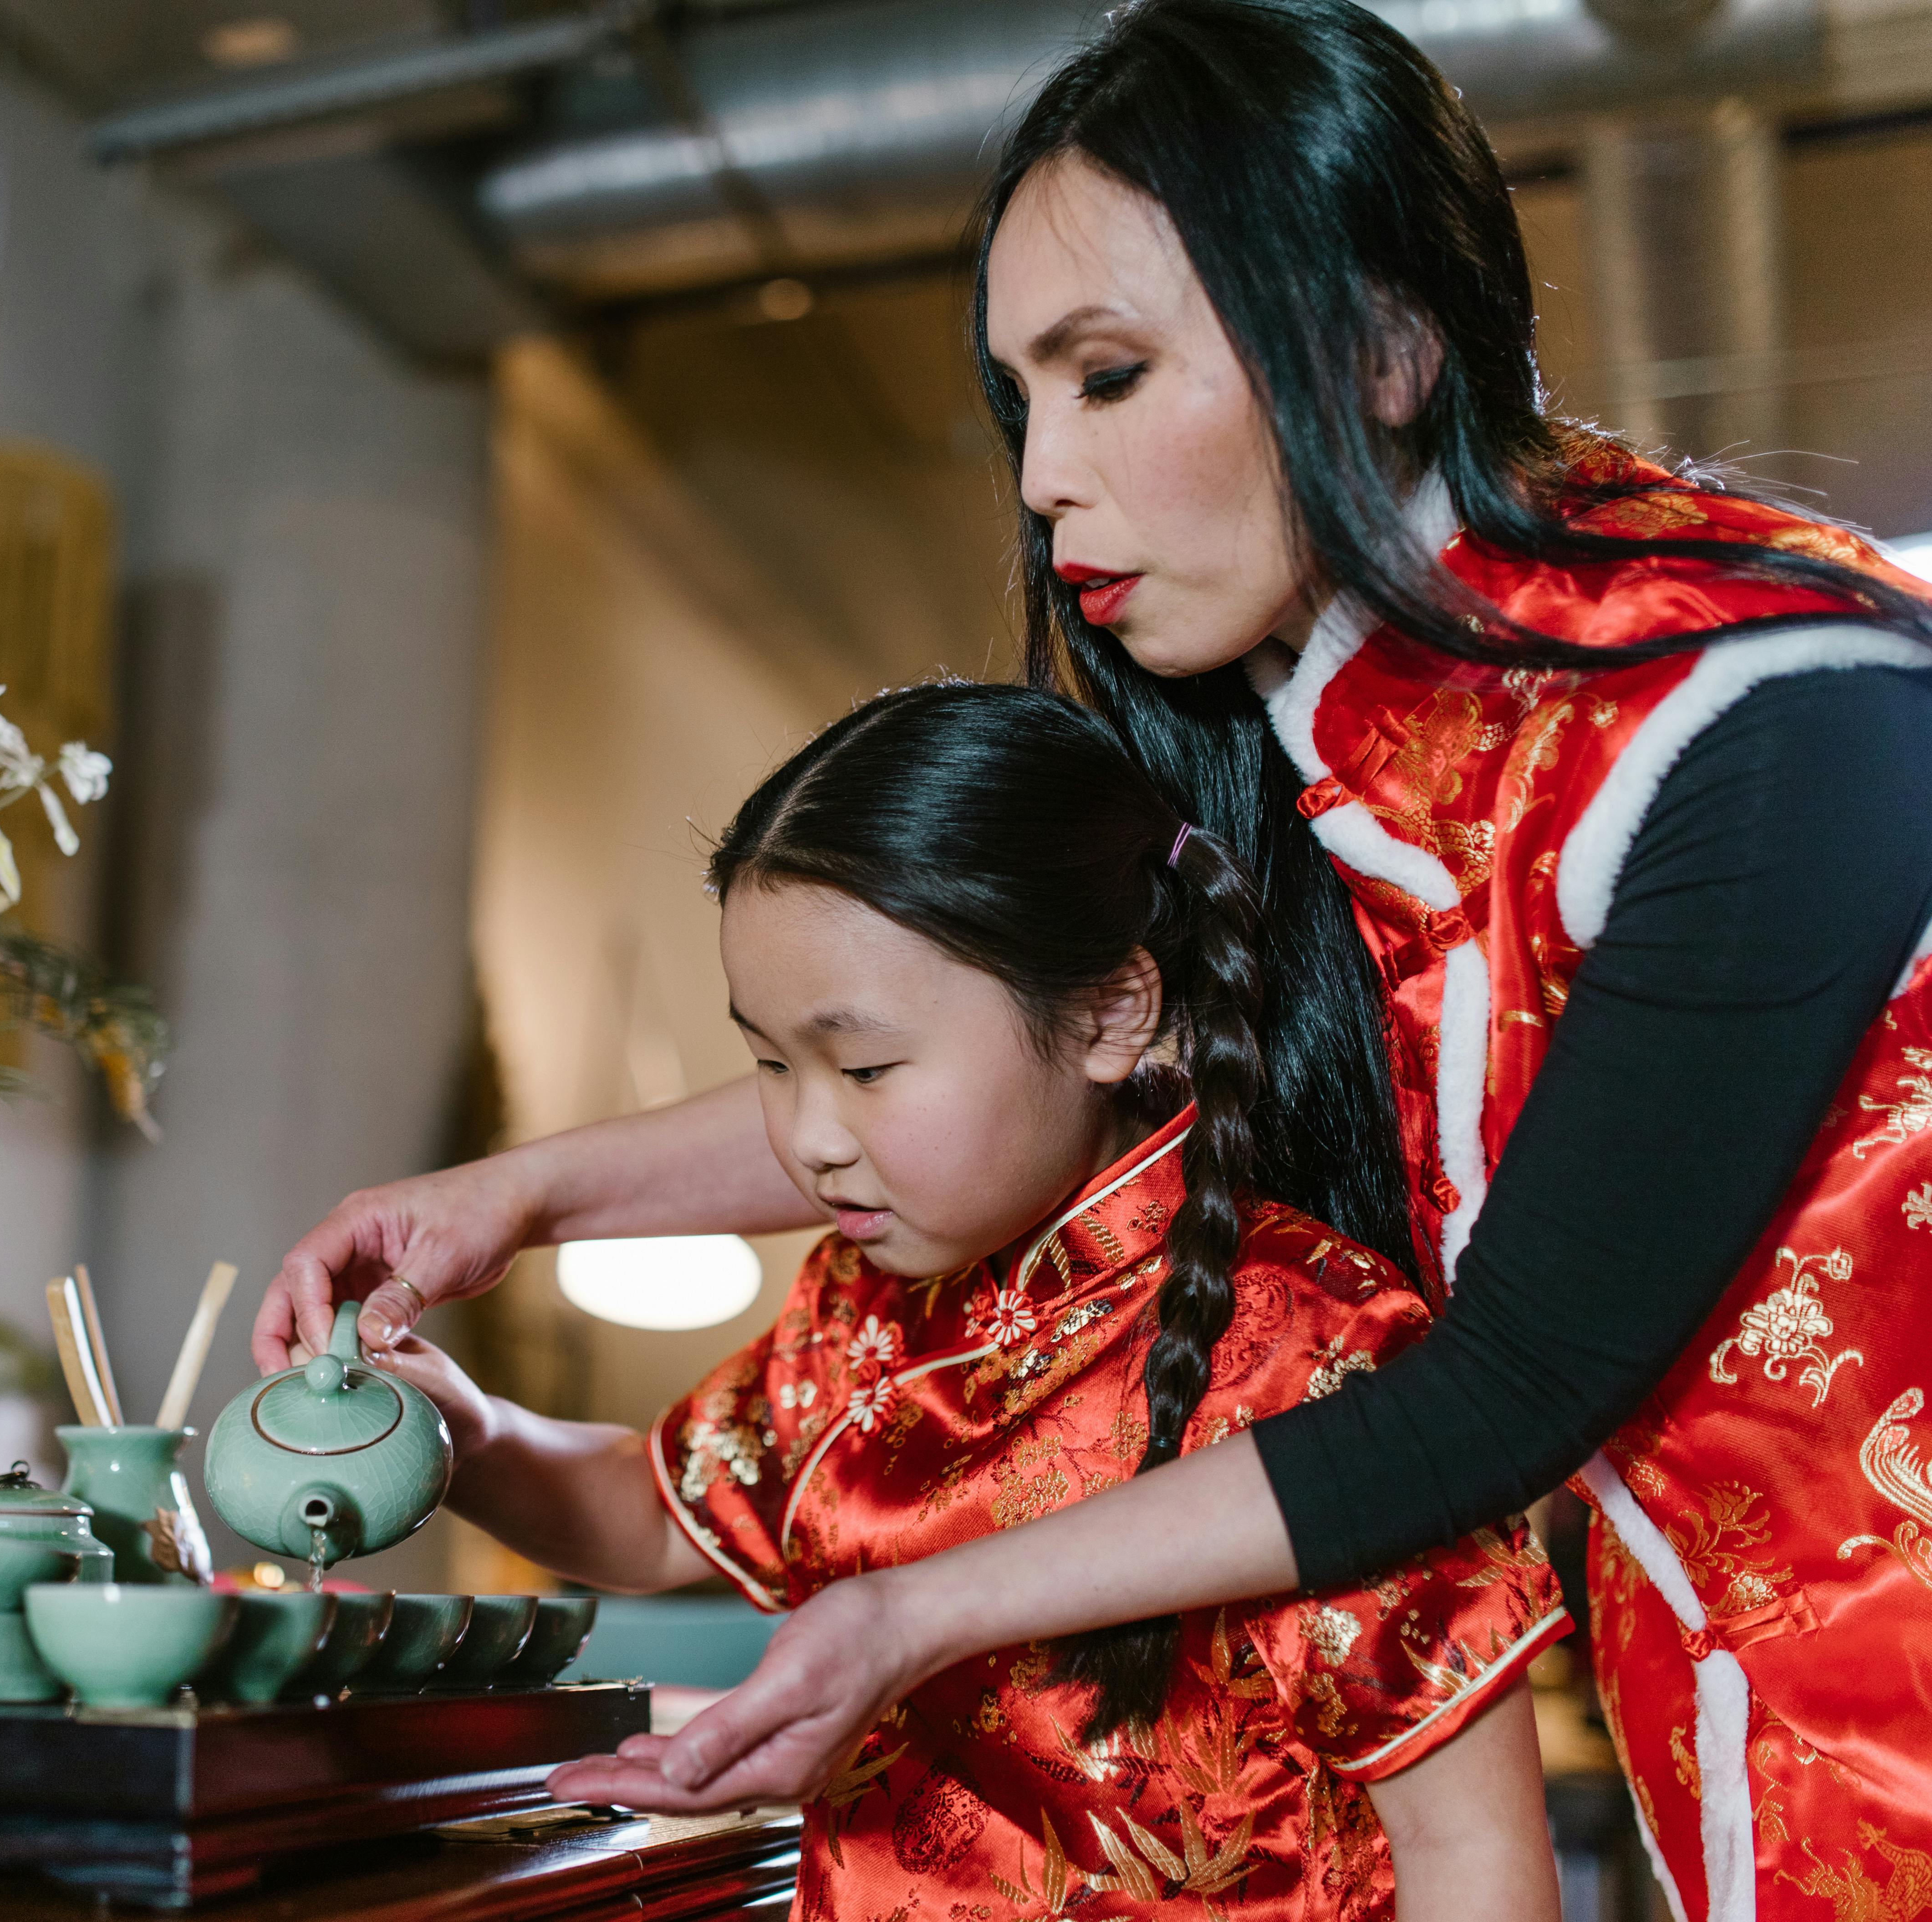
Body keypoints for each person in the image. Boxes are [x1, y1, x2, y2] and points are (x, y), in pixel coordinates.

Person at [256, 0, 1932, 1912]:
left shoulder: (1769, 724)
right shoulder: (1316, 758)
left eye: (1107, 375)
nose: (1042, 477)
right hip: (1750, 1753)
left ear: (1380, 349)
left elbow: (1506, 1392)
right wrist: (505, 1203)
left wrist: (902, 1620)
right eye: (1020, 402)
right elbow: (933, 1071)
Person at [369, 681, 1564, 1920]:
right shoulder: (862, 1298)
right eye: (771, 1065)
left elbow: (1472, 1860)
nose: (808, 1137)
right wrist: (463, 1436)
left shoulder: (1315, 1348)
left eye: (866, 1067)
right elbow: (647, 1520)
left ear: (1110, 1012)